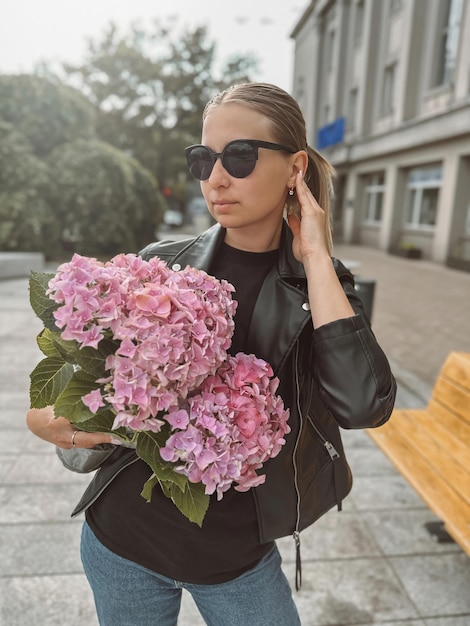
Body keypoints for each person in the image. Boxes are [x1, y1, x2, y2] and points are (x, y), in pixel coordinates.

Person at [26, 82, 396, 626]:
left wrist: (315, 254)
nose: (216, 178)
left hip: (237, 562)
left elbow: (365, 406)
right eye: (204, 159)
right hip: (121, 545)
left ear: (295, 168)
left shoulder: (324, 286)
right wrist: (58, 423)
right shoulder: (162, 264)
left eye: (241, 156)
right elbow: (69, 395)